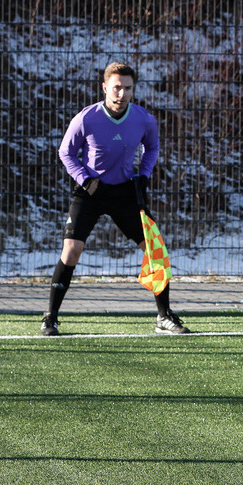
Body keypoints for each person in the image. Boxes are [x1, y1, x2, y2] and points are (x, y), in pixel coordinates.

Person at [41, 62, 189, 336]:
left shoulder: (143, 119)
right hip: (90, 191)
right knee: (71, 250)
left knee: (155, 248)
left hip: (125, 191)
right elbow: (66, 153)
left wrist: (143, 175)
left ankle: (164, 316)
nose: (122, 93)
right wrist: (85, 180)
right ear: (105, 87)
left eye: (128, 88)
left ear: (134, 89)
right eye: (117, 87)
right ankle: (50, 317)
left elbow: (152, 146)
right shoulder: (86, 118)